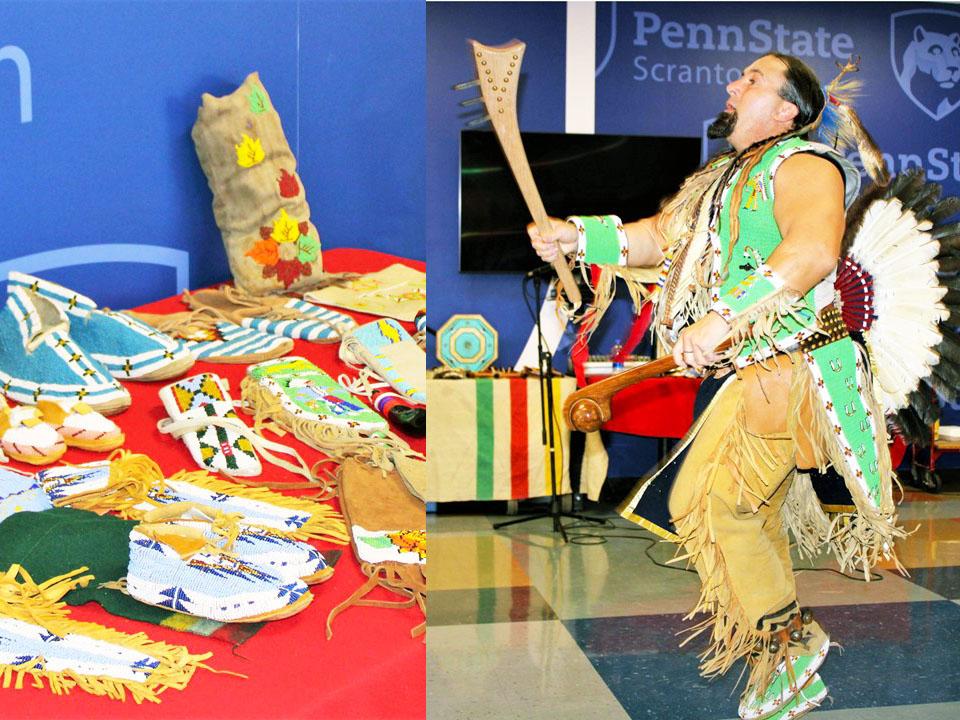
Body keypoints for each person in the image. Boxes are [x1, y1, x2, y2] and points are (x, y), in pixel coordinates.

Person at [529, 54, 901, 720]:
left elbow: (814, 249)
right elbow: (651, 238)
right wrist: (574, 236)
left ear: (788, 110)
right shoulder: (717, 180)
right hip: (752, 373)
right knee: (742, 510)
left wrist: (724, 315)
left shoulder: (804, 166)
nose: (733, 85)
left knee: (713, 502)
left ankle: (789, 648)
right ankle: (789, 659)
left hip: (796, 366)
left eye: (752, 79)